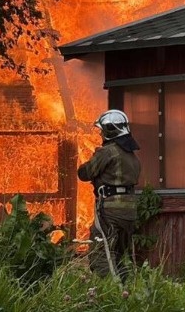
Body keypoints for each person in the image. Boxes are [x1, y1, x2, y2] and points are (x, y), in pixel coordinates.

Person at [77, 109, 141, 279]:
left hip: (111, 210)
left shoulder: (108, 151)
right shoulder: (131, 155)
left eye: (102, 130)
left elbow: (85, 173)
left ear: (109, 130)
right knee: (120, 256)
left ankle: (110, 294)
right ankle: (128, 292)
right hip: (130, 212)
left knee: (101, 255)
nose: (101, 134)